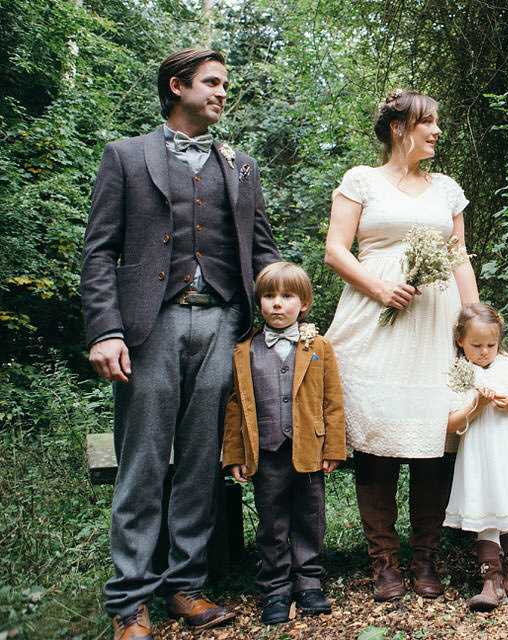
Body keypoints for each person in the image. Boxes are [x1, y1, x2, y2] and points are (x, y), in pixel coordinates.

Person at [80, 48, 281, 640]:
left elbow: (262, 251)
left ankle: (185, 587)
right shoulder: (124, 157)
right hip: (150, 327)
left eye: (224, 84)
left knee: (199, 462)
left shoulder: (239, 165)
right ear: (178, 86)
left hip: (222, 323)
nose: (223, 92)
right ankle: (129, 601)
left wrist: (283, 318)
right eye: (212, 83)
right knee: (143, 462)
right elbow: (98, 253)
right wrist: (105, 330)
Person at [323, 88, 479, 601]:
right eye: (427, 123)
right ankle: (384, 561)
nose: (437, 131)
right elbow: (335, 250)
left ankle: (426, 557)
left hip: (435, 321)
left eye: (437, 122)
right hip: (375, 317)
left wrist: (473, 323)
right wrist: (379, 286)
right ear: (398, 128)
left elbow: (459, 258)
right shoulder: (360, 181)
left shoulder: (447, 189)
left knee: (435, 433)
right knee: (377, 438)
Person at [221, 262, 346, 624]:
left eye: (287, 296)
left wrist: (334, 448)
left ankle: (309, 582)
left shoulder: (319, 346)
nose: (278, 304)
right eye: (269, 296)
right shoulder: (244, 350)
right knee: (272, 522)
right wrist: (235, 454)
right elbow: (235, 404)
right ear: (258, 302)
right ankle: (275, 588)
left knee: (310, 518)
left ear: (303, 303)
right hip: (266, 454)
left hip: (308, 450)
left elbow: (333, 401)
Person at [443, 303, 508, 611]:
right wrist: (476, 407)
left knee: (506, 505)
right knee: (486, 508)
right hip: (477, 452)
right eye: (476, 345)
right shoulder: (458, 372)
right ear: (460, 340)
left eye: (491, 344)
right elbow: (450, 423)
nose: (485, 351)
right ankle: (491, 578)